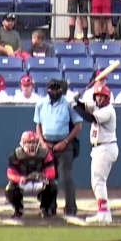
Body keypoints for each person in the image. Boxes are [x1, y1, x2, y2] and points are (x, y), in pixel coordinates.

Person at [35, 79, 84, 217]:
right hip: (47, 144)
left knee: (65, 177)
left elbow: (78, 126)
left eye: (57, 90)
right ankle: (48, 207)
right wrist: (43, 143)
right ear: (48, 90)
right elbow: (38, 125)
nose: (54, 92)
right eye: (52, 90)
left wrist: (66, 141)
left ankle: (70, 208)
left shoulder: (69, 104)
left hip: (65, 144)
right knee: (48, 177)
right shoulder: (41, 104)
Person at [72, 85, 118, 224]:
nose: (99, 98)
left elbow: (89, 117)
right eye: (97, 96)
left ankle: (103, 213)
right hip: (101, 148)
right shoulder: (97, 106)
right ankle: (105, 213)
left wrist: (74, 105)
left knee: (98, 182)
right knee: (98, 181)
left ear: (107, 98)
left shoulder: (108, 111)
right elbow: (84, 106)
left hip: (105, 147)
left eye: (101, 96)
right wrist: (76, 100)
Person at [5, 131, 59, 218]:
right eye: (28, 143)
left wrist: (44, 176)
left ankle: (44, 208)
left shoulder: (45, 154)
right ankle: (18, 209)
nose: (31, 146)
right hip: (23, 182)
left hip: (39, 181)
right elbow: (10, 173)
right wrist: (20, 179)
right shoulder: (16, 155)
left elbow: (52, 171)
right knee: (10, 188)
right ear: (22, 143)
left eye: (33, 143)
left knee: (53, 185)